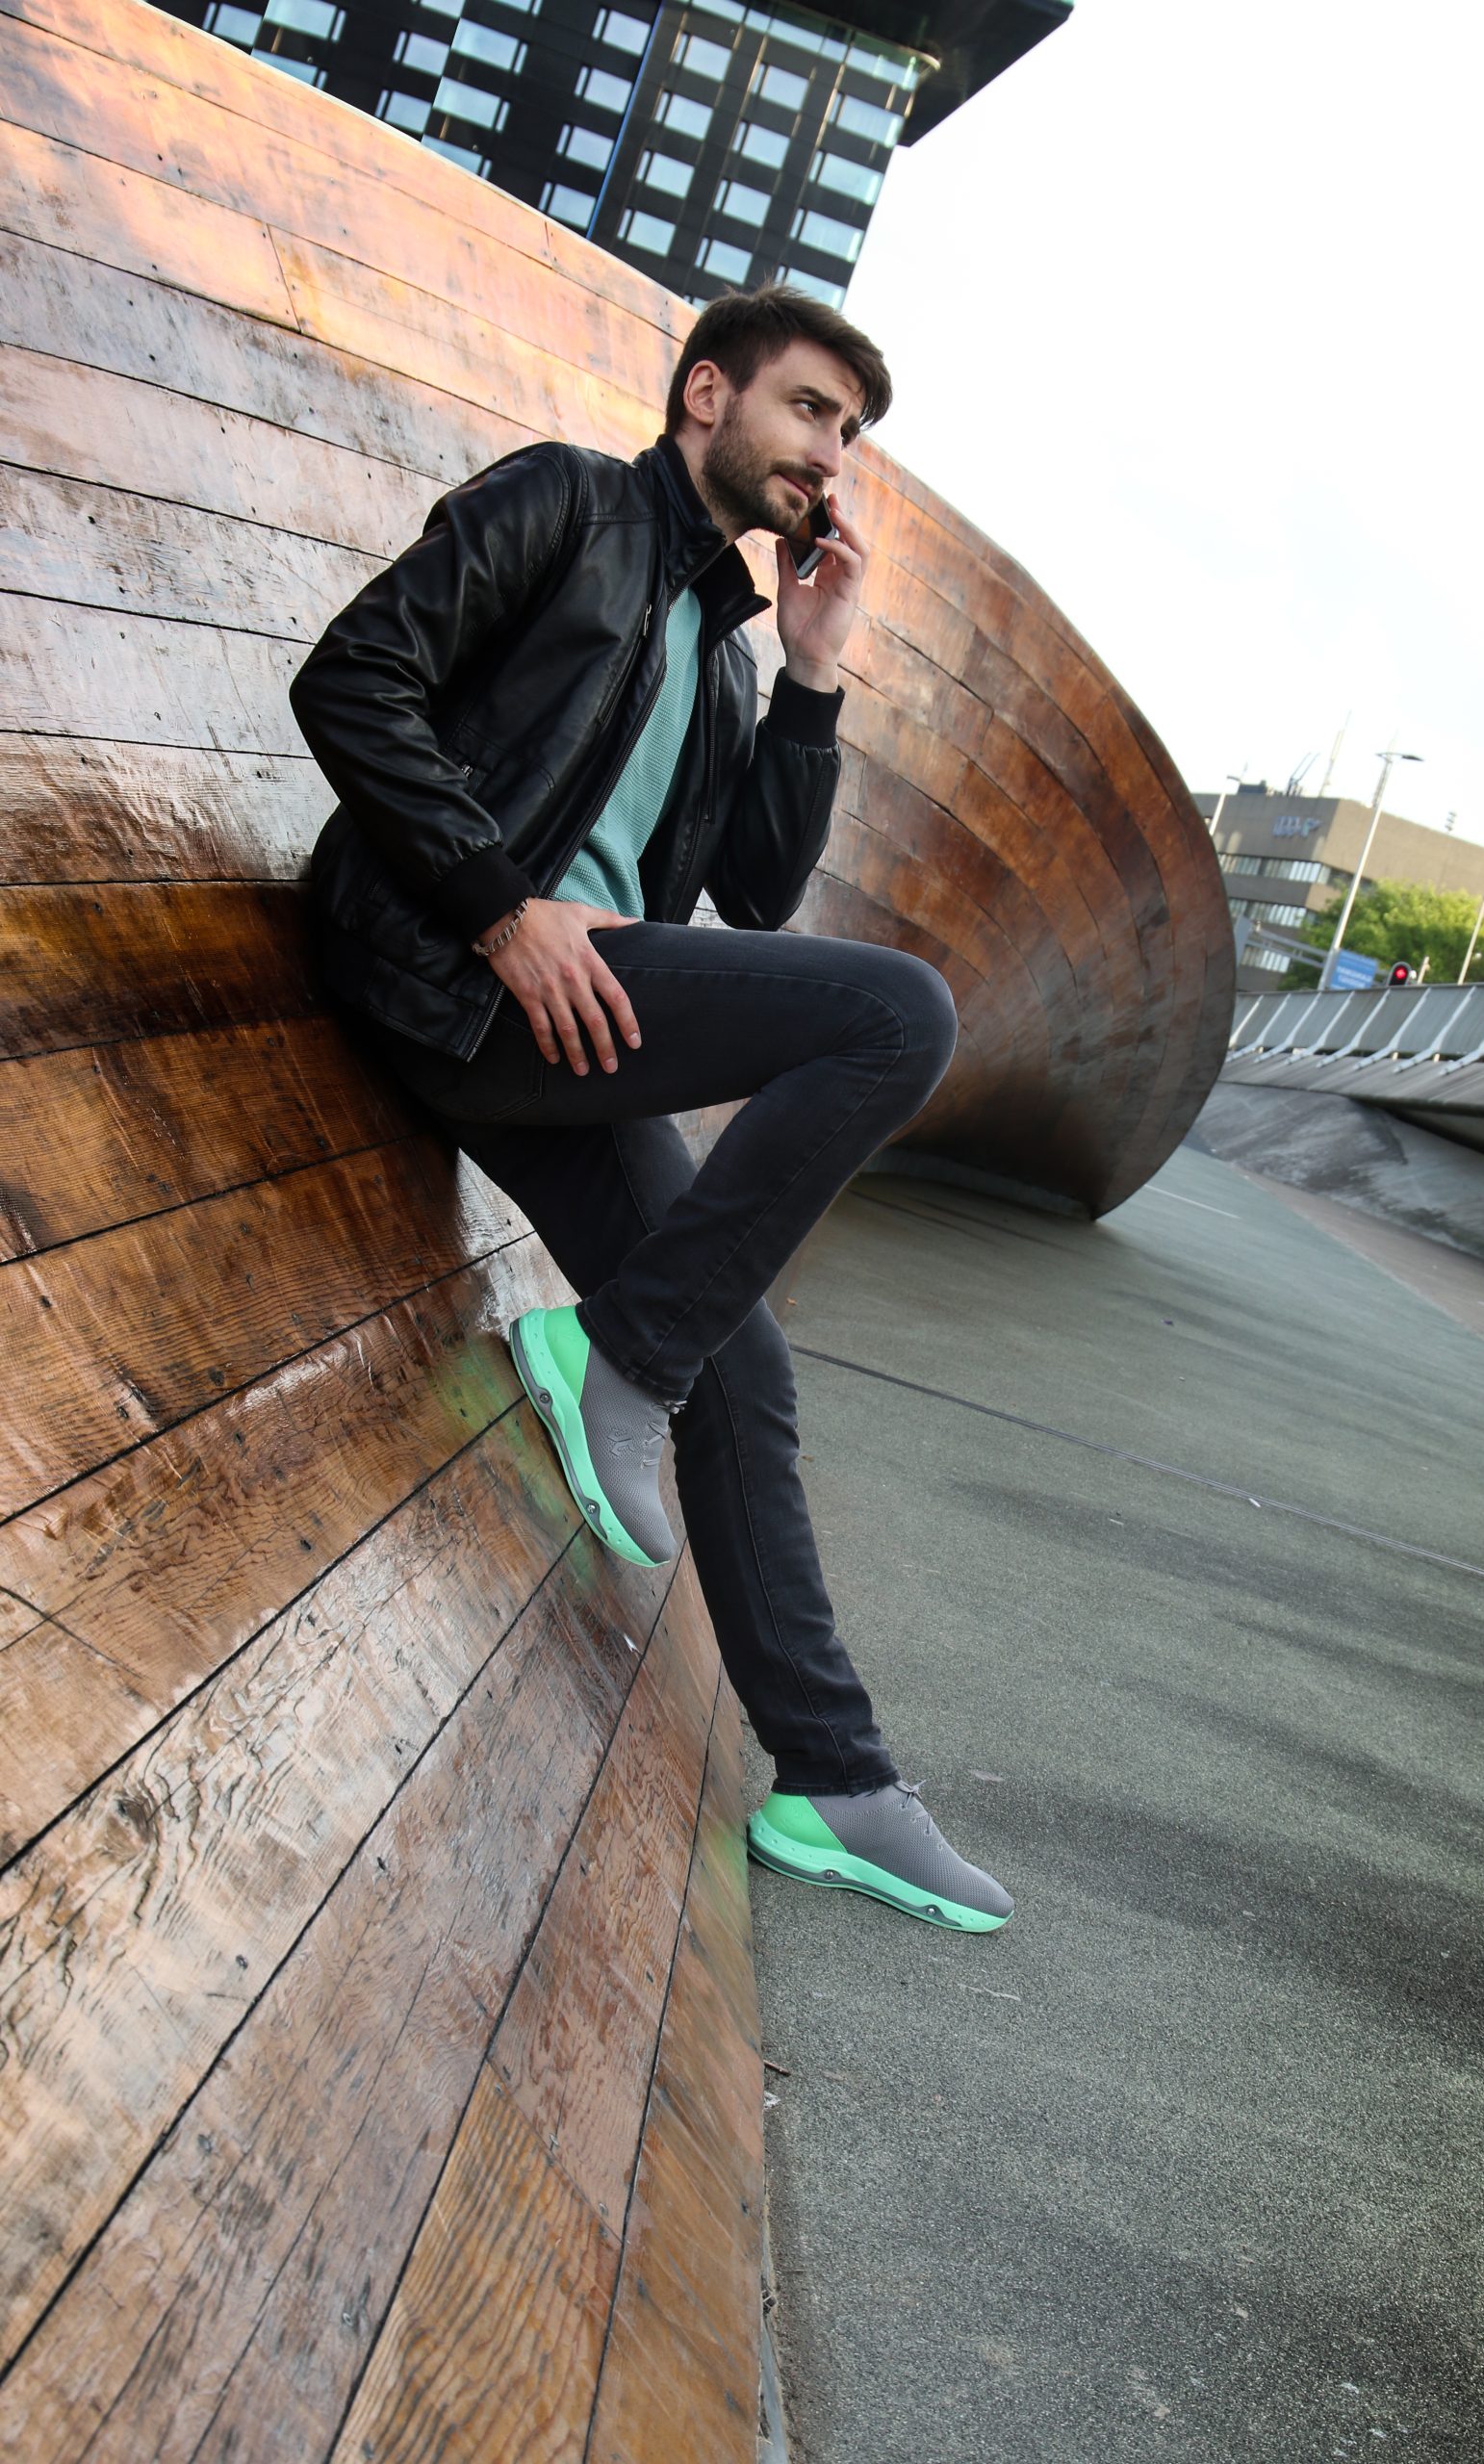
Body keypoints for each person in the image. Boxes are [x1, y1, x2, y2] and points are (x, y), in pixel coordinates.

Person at [291, 285, 1011, 1933]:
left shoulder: (730, 654)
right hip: (452, 972)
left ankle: (835, 1778)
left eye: (850, 435)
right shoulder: (569, 507)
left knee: (742, 1368)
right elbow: (353, 678)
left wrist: (812, 673)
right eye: (811, 411)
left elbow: (752, 894)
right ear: (707, 395)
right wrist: (500, 907)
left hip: (579, 1031)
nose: (831, 457)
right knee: (898, 1013)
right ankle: (619, 1354)